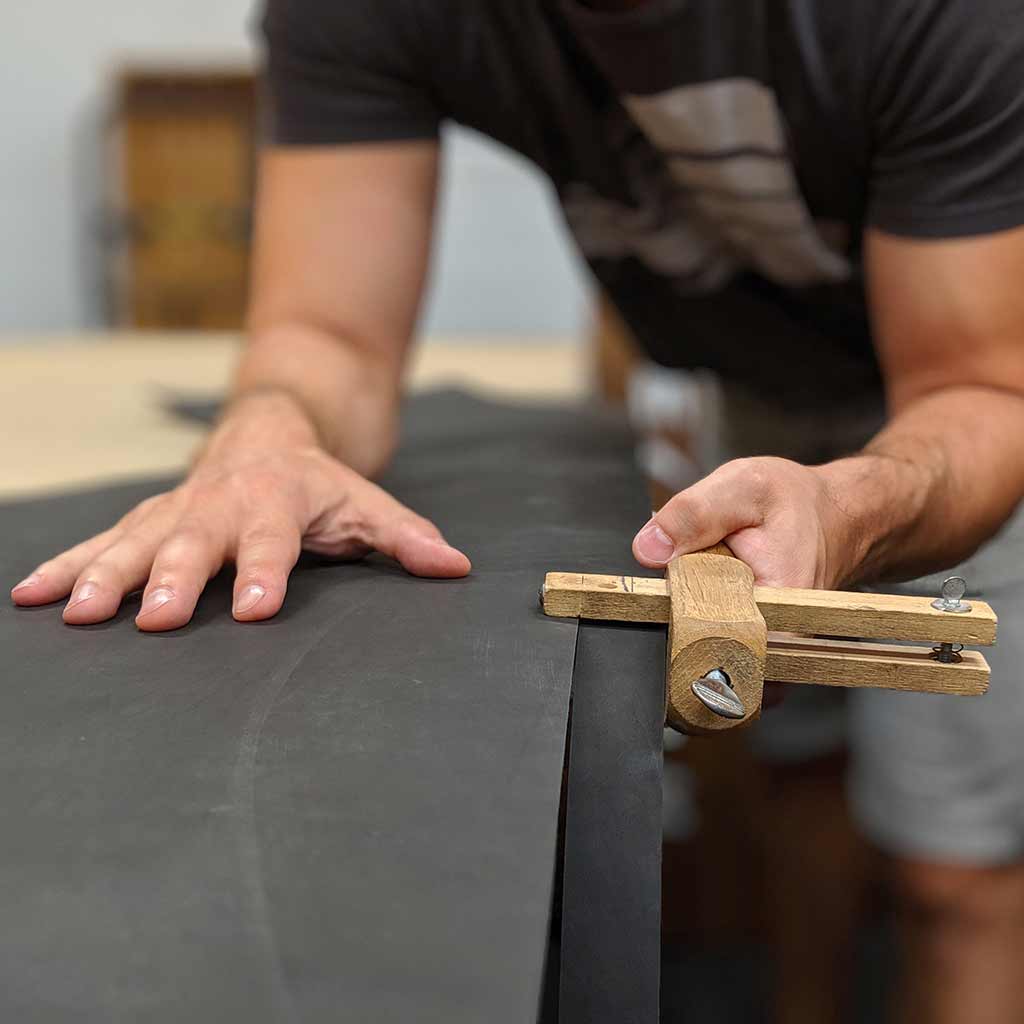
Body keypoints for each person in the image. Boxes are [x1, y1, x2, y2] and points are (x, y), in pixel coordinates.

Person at [11, 0, 1024, 1019]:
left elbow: (985, 390)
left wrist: (855, 500)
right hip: (756, 385)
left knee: (957, 876)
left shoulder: (942, 21)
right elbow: (328, 334)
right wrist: (269, 433)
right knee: (800, 763)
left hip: (965, 409)